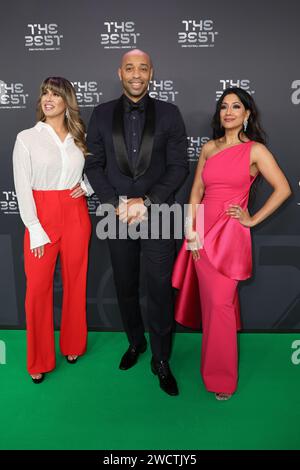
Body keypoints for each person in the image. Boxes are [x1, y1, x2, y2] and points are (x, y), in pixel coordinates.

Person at [172, 87, 291, 400]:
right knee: (213, 305)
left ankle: (221, 379)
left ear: (247, 114)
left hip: (229, 235)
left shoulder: (255, 151)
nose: (228, 112)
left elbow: (283, 189)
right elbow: (196, 191)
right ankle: (215, 366)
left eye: (236, 106)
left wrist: (252, 219)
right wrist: (191, 231)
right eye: (224, 106)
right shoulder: (210, 148)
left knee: (221, 305)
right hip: (201, 233)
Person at [84, 49, 188, 396]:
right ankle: (135, 343)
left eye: (142, 68)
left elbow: (178, 167)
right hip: (115, 215)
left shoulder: (170, 114)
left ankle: (160, 358)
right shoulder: (100, 114)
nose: (136, 74)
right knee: (125, 285)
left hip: (158, 213)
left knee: (159, 288)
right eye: (130, 68)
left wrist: (146, 202)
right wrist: (115, 203)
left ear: (151, 73)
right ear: (120, 73)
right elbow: (94, 165)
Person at [13, 77, 91, 384]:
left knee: (76, 282)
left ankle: (73, 344)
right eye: (45, 93)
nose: (48, 98)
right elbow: (22, 185)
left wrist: (86, 186)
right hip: (41, 214)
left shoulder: (78, 136)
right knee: (37, 291)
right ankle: (39, 359)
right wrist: (33, 226)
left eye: (55, 94)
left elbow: (100, 169)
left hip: (75, 215)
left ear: (66, 100)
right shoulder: (27, 138)